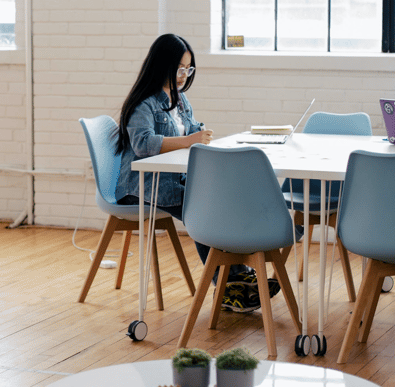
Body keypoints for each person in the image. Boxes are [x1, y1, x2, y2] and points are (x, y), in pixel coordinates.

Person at [114, 33, 278, 312]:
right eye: (179, 68)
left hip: (173, 180)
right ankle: (229, 284)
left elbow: (189, 131)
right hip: (141, 187)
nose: (183, 75)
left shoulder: (180, 100)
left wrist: (198, 134)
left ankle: (237, 279)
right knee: (204, 207)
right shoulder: (144, 103)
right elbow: (143, 145)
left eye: (188, 69)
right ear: (161, 64)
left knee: (220, 197)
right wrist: (190, 140)